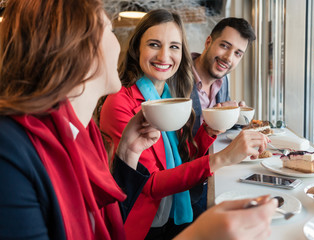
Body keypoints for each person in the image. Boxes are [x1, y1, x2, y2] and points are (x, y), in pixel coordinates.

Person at [0, 1, 277, 240]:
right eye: (109, 28)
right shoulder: (11, 152)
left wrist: (128, 154)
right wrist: (200, 233)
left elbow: (105, 215)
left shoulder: (83, 133)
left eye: (174, 47)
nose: (116, 41)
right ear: (77, 46)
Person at [100, 8, 271, 240]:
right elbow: (148, 185)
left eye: (174, 47)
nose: (164, 56)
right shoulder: (119, 102)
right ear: (136, 47)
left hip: (174, 213)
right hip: (143, 224)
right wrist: (222, 157)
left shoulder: (172, 95)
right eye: (153, 44)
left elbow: (186, 154)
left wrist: (209, 130)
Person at [191, 17, 256, 136]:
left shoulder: (223, 80)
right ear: (208, 42)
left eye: (237, 53)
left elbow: (220, 129)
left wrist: (236, 116)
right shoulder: (176, 75)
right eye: (225, 46)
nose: (228, 58)